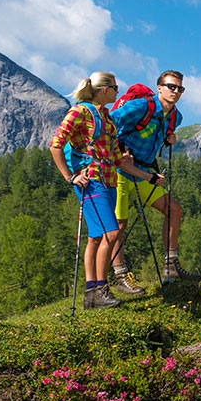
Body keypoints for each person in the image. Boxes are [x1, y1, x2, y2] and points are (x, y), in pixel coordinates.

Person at [49, 71, 160, 308]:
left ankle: (92, 295)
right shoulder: (80, 111)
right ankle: (100, 289)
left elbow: (119, 160)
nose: (118, 91)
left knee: (96, 237)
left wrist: (148, 177)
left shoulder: (107, 118)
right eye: (115, 87)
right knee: (111, 235)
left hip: (109, 181)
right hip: (91, 180)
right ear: (104, 89)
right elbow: (56, 144)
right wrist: (70, 177)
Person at [109, 70, 198, 288]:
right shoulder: (141, 106)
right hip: (119, 171)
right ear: (159, 88)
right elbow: (108, 121)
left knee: (174, 210)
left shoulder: (176, 117)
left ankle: (171, 265)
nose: (176, 91)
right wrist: (119, 148)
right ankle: (120, 276)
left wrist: (168, 139)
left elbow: (157, 136)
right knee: (119, 224)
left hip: (144, 173)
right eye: (171, 87)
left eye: (180, 88)